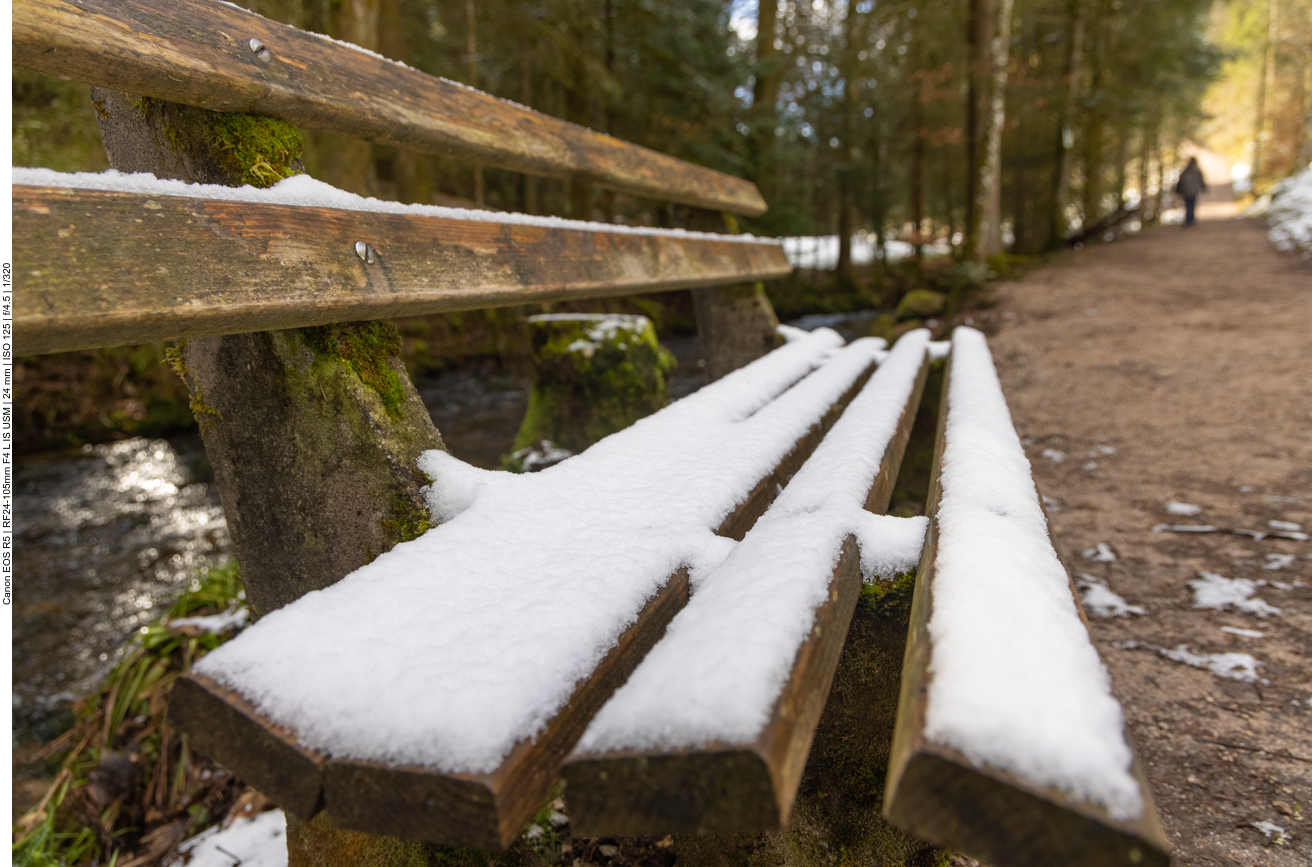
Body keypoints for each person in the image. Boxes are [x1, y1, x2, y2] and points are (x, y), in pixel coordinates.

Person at [1175, 157, 1207, 227]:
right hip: (1193, 191)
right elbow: (1201, 180)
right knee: (1191, 205)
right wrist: (1203, 188)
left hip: (1186, 191)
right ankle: (1190, 219)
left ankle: (1189, 219)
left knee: (1188, 205)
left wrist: (1178, 190)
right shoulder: (1197, 171)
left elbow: (1181, 181)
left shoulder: (1186, 170)